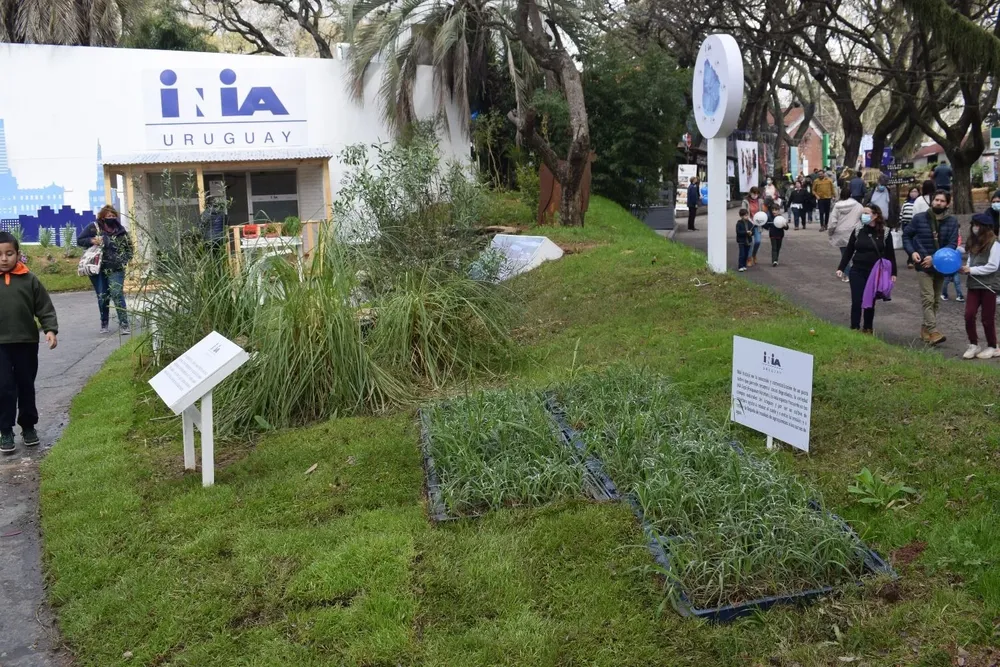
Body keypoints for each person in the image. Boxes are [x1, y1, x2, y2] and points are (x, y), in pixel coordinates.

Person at [0, 231, 58, 454]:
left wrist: (50, 329)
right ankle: (5, 430)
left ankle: (28, 426)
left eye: (9, 253)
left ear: (18, 254)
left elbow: (44, 307)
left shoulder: (29, 279)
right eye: (0, 255)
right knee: (4, 387)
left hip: (26, 341)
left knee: (26, 385)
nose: (4, 258)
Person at [903, 190, 960, 345]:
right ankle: (933, 331)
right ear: (932, 201)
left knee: (935, 300)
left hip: (940, 266)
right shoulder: (919, 218)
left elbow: (952, 244)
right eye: (936, 200)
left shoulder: (952, 221)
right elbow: (906, 235)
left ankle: (925, 329)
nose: (938, 203)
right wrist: (912, 252)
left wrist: (934, 258)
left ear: (947, 204)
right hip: (922, 265)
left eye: (942, 201)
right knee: (927, 298)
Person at [836, 204, 897, 333]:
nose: (863, 216)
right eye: (862, 213)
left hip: (875, 272)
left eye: (866, 213)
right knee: (857, 300)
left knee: (870, 300)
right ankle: (854, 327)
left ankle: (868, 328)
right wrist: (841, 268)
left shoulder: (885, 232)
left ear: (875, 216)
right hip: (857, 270)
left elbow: (890, 254)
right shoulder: (858, 230)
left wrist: (893, 273)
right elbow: (849, 250)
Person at [78, 205, 133, 335]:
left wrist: (123, 260)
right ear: (102, 217)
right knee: (103, 296)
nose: (111, 218)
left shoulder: (121, 230)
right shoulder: (94, 227)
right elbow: (80, 240)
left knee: (116, 293)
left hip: (116, 268)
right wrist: (92, 240)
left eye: (113, 216)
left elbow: (129, 248)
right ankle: (104, 322)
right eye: (109, 216)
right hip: (98, 268)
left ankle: (124, 323)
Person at [959, 212, 1000, 359]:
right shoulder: (973, 242)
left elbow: (993, 266)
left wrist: (971, 270)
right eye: (973, 225)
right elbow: (971, 260)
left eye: (977, 225)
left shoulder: (995, 243)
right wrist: (966, 267)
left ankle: (993, 346)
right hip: (973, 285)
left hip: (989, 286)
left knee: (987, 318)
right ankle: (973, 344)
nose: (974, 228)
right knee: (969, 315)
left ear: (985, 227)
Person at [829, 188, 864, 283]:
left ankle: (847, 274)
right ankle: (856, 273)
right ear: (851, 194)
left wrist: (830, 232)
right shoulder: (858, 205)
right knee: (855, 254)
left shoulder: (837, 206)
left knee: (845, 255)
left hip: (841, 233)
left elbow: (832, 222)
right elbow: (863, 217)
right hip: (854, 232)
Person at [742, 187, 765, 267]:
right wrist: (749, 220)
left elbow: (763, 212)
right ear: (750, 193)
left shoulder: (760, 201)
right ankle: (749, 259)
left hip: (757, 224)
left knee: (758, 241)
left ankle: (754, 254)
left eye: (757, 194)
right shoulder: (745, 201)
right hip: (748, 224)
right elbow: (743, 212)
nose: (755, 195)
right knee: (750, 242)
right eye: (753, 193)